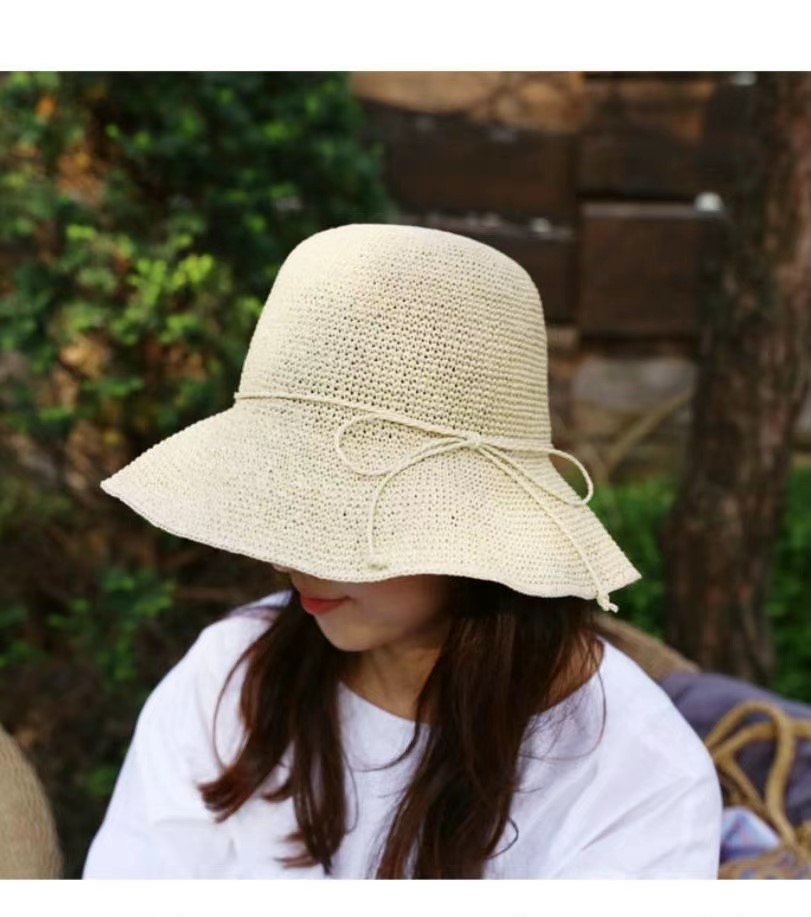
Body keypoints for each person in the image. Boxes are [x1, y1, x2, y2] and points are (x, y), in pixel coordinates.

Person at [82, 223, 722, 878]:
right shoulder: (229, 676)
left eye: (341, 511)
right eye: (285, 501)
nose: (286, 556)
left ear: (467, 518)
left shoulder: (637, 778)